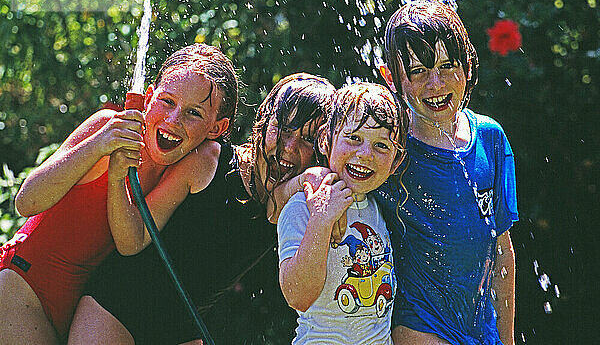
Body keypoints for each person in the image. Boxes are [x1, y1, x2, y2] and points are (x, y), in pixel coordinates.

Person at [67, 73, 337, 345]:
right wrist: (116, 178)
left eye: (308, 140)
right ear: (264, 120)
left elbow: (277, 201)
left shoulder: (294, 202)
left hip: (179, 330)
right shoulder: (209, 162)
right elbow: (133, 238)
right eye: (283, 130)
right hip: (116, 306)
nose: (289, 148)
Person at [0, 43, 237, 344]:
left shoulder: (186, 173)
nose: (173, 120)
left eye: (193, 113)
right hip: (23, 288)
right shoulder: (107, 128)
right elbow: (26, 201)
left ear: (217, 128)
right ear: (148, 98)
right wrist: (98, 145)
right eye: (167, 101)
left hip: (79, 314)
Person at [377, 0, 518, 345]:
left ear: (468, 66)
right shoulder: (390, 150)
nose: (435, 84)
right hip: (418, 324)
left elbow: (502, 250)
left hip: (479, 326)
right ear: (391, 78)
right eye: (418, 71)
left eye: (446, 66)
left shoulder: (490, 139)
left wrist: (507, 339)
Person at [278, 82, 408, 344]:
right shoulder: (302, 207)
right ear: (326, 140)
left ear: (396, 162)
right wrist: (321, 220)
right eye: (353, 138)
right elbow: (297, 296)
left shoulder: (383, 209)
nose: (365, 154)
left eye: (382, 146)